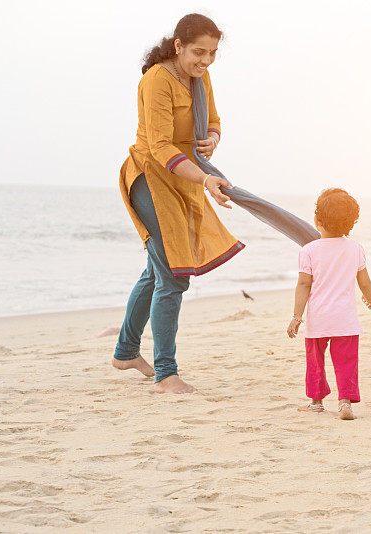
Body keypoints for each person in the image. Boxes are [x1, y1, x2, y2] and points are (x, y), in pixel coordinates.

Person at [112, 14, 241, 394]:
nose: (206, 61)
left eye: (213, 53)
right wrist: (205, 178)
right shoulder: (156, 80)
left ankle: (125, 351)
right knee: (173, 274)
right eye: (199, 52)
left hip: (182, 180)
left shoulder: (200, 77)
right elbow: (160, 146)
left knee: (156, 272)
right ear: (178, 45)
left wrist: (211, 139)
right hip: (150, 178)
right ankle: (166, 374)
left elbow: (213, 120)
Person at [287, 188, 371, 420]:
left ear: (317, 220)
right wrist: (369, 297)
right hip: (345, 319)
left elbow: (304, 285)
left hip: (319, 319)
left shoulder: (308, 251)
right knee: (346, 361)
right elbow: (364, 280)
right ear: (350, 223)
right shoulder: (355, 248)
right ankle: (345, 402)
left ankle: (316, 403)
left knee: (315, 361)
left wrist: (297, 317)